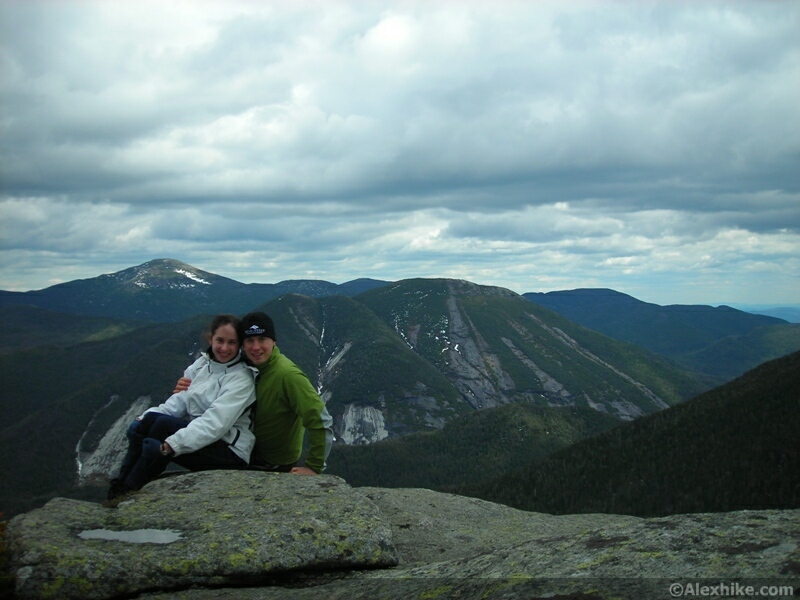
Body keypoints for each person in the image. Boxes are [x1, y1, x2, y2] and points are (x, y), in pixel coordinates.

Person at [107, 314, 257, 500]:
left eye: (232, 343)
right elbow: (179, 402)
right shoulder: (203, 364)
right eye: (220, 340)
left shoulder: (241, 378)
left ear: (240, 345)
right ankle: (121, 484)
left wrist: (170, 446)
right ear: (210, 339)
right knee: (151, 421)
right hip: (205, 441)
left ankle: (127, 491)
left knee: (163, 426)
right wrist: (142, 419)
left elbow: (215, 424)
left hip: (230, 452)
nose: (224, 348)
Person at [237, 312, 334, 475]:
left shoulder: (287, 375)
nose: (255, 347)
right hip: (246, 450)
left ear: (273, 341)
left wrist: (314, 467)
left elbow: (320, 419)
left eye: (262, 340)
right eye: (249, 340)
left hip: (271, 463)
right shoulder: (245, 366)